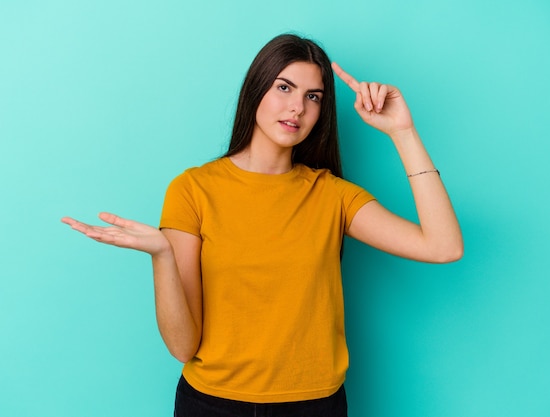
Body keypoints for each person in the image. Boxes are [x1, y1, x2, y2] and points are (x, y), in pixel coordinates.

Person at [62, 33, 463, 417]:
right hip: (212, 405)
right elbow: (184, 348)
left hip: (315, 407)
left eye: (313, 97)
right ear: (256, 90)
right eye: (284, 88)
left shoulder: (333, 195)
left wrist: (403, 132)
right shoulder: (194, 189)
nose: (298, 108)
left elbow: (443, 246)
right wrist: (163, 256)